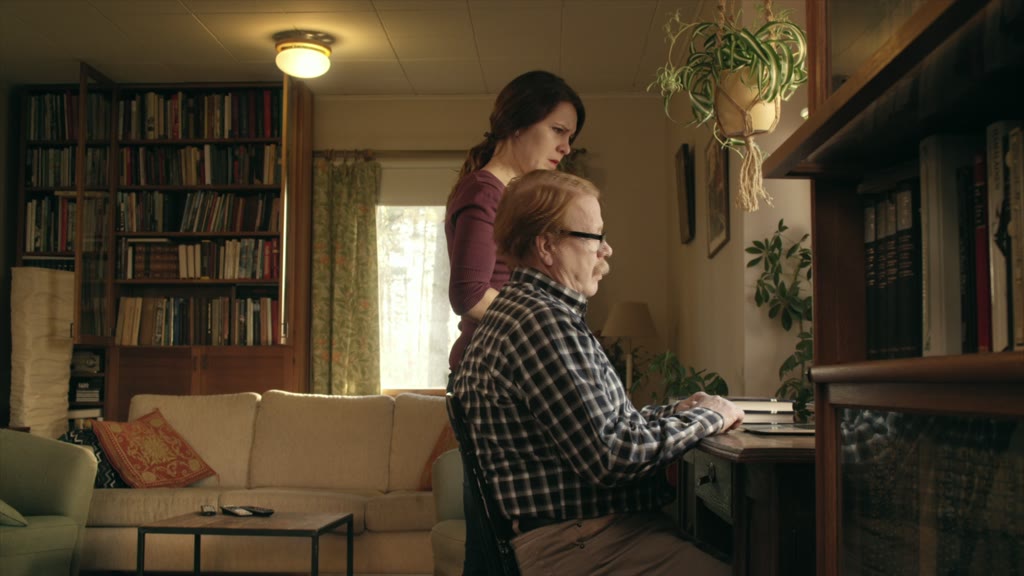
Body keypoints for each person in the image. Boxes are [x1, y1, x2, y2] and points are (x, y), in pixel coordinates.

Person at [451, 169, 743, 575]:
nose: (607, 250)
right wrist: (711, 417)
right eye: (594, 237)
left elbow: (602, 428)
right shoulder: (542, 324)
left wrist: (676, 412)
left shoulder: (527, 311)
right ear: (547, 246)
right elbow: (612, 455)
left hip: (588, 535)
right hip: (582, 544)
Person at [444, 69, 585, 575]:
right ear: (518, 123)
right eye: (558, 130)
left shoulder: (513, 194)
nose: (566, 146)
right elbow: (468, 293)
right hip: (491, 378)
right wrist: (542, 326)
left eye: (571, 136)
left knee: (500, 541)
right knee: (496, 543)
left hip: (505, 373)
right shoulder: (486, 190)